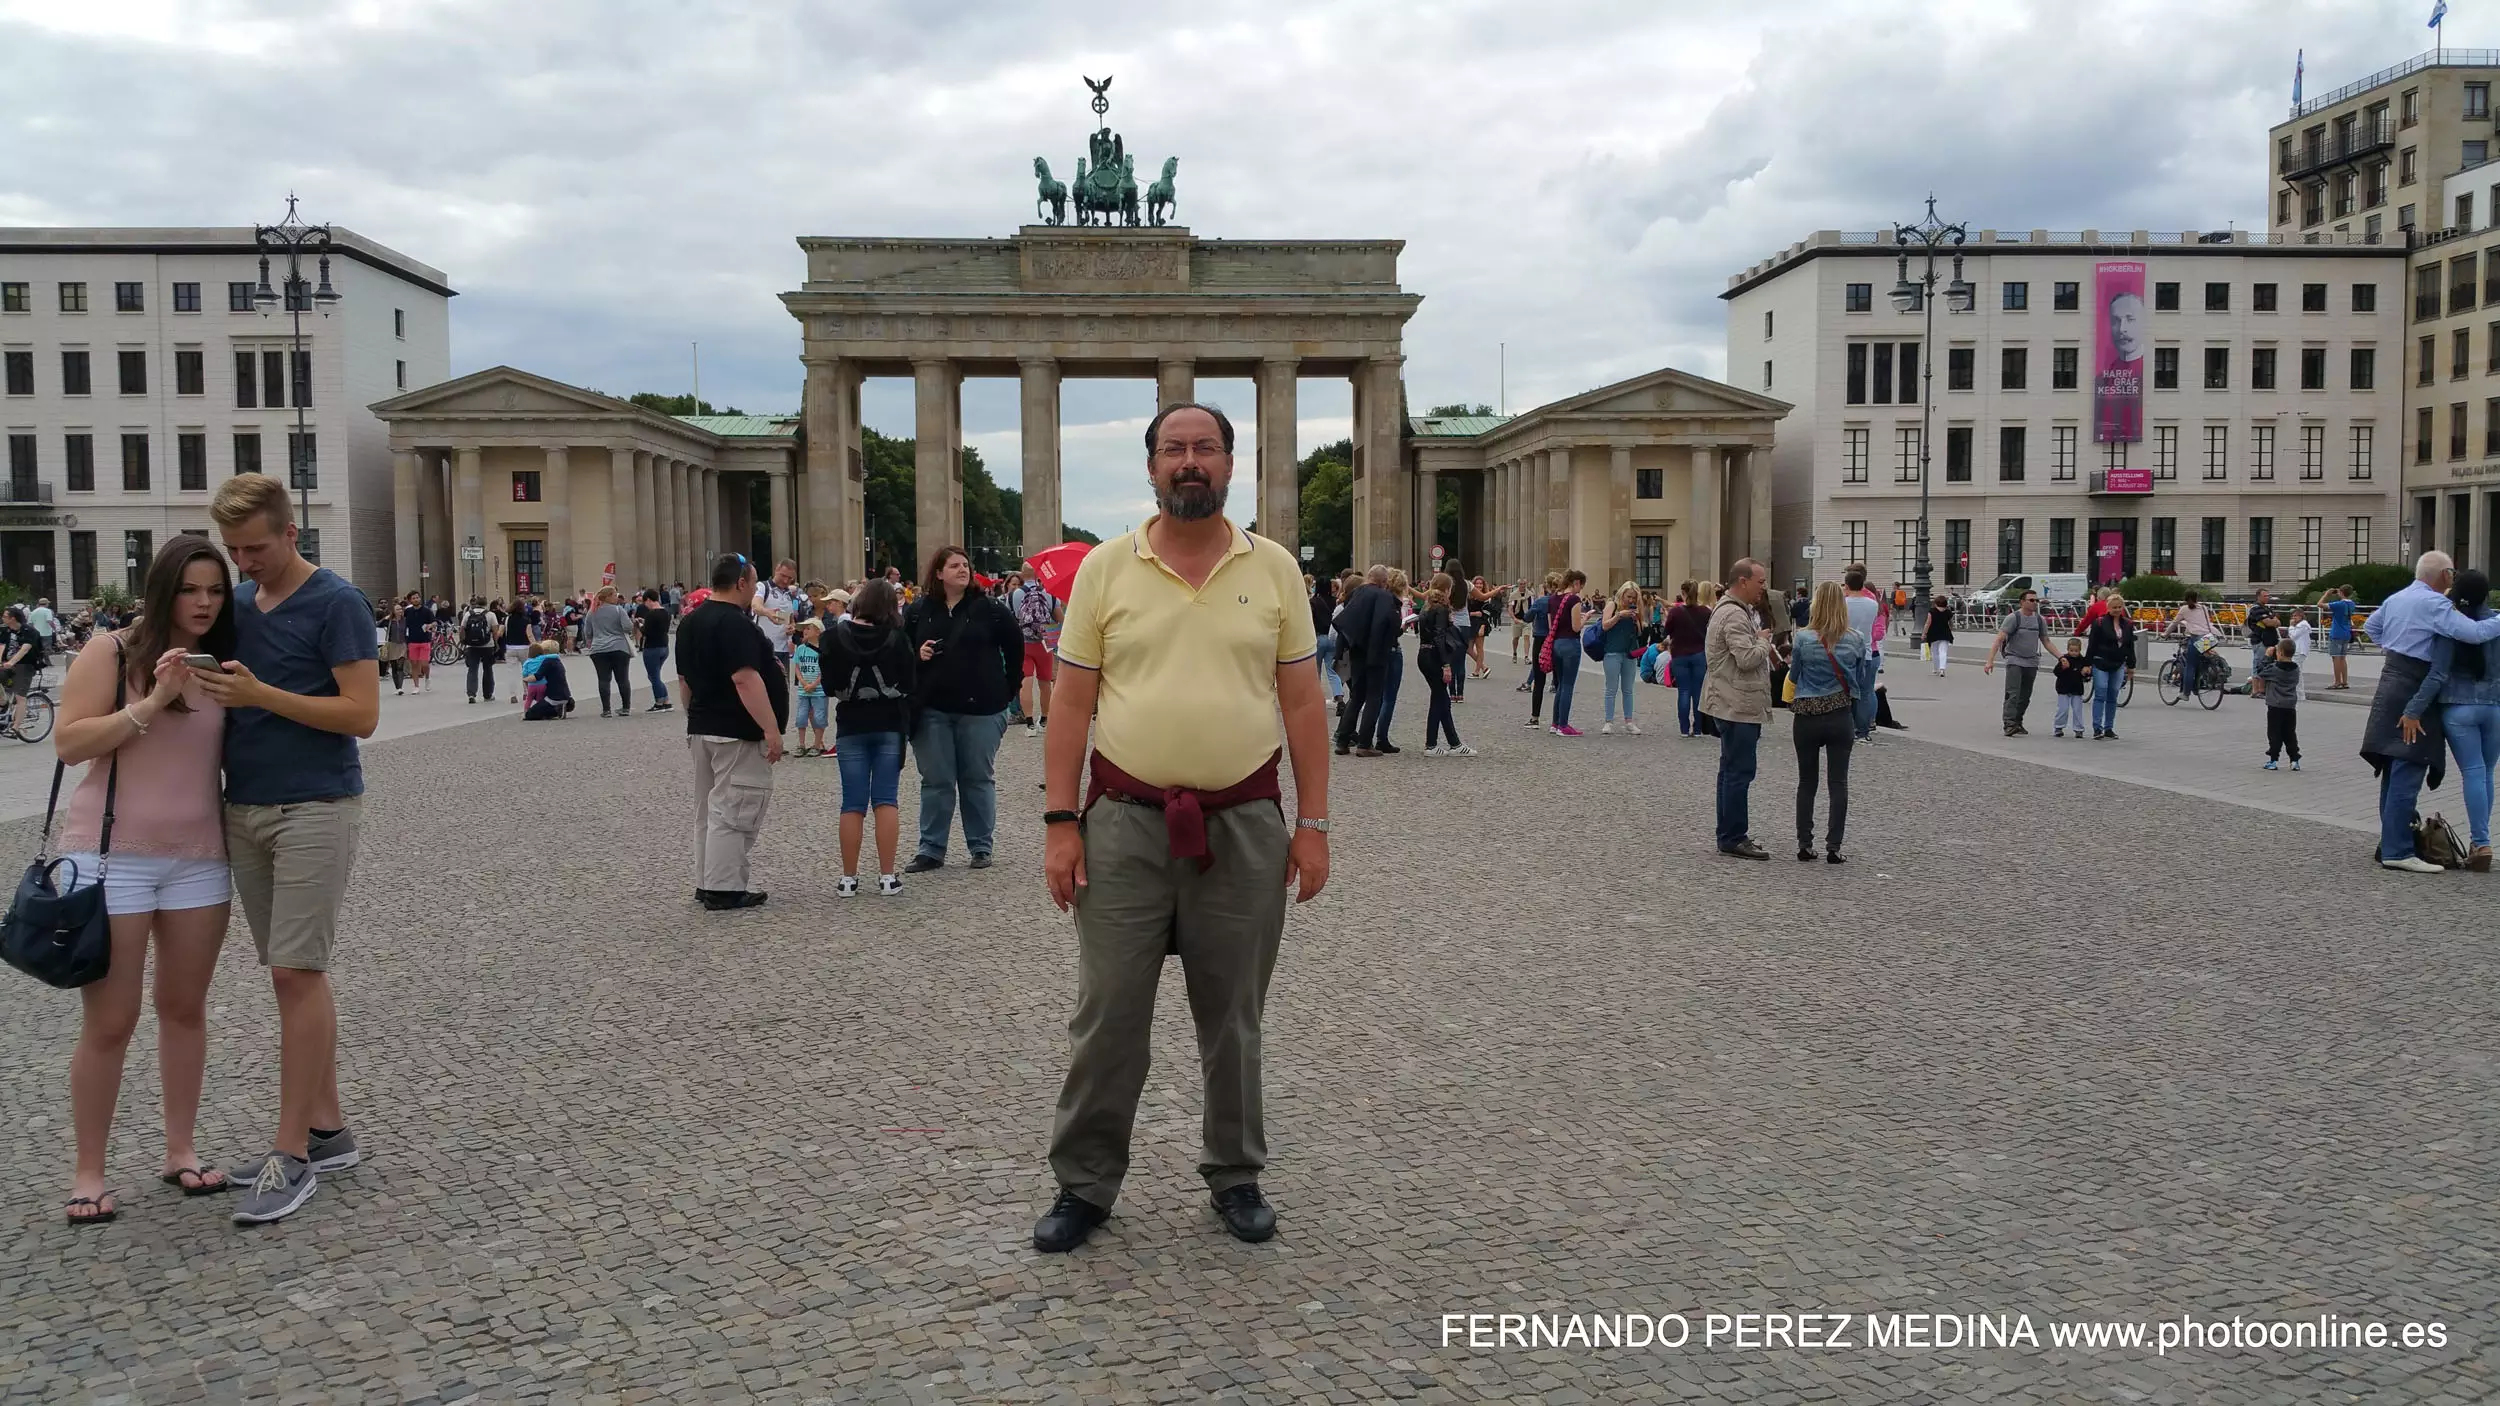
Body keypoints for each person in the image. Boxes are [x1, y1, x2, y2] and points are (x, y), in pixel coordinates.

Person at [1034, 400, 1329, 1254]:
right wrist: (1060, 822)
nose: (1189, 461)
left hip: (1244, 820)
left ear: (1231, 463)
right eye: (1174, 449)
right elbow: (1071, 704)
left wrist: (1313, 822)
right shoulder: (1105, 569)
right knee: (1109, 1013)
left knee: (1234, 1015)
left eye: (1205, 448)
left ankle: (1235, 1172)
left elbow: (1302, 702)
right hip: (1123, 822)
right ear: (1151, 467)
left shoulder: (1273, 568)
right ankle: (1084, 1183)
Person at [196, 474, 381, 1225]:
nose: (244, 563)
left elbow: (361, 713)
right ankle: (328, 1131)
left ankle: (291, 1152)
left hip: (315, 804)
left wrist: (261, 695)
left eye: (255, 548)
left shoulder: (337, 603)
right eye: (233, 550)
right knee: (288, 976)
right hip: (244, 807)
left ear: (290, 533)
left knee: (298, 972)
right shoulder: (237, 605)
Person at [51, 536, 238, 1224]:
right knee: (111, 1019)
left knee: (185, 1009)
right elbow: (70, 742)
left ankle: (180, 1149)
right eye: (190, 589)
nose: (203, 603)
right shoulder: (113, 652)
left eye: (214, 590)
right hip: (113, 857)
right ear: (164, 590)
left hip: (200, 859)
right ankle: (89, 1172)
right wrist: (155, 700)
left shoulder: (223, 663)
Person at [2365, 551, 2500, 873]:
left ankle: (2392, 843)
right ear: (2445, 574)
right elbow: (2475, 633)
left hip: (2397, 682)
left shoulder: (2399, 597)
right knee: (2411, 764)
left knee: (2395, 764)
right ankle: (2402, 849)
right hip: (2430, 690)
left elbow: (2371, 627)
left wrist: (2396, 647)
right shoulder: (2437, 605)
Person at [675, 554, 787, 910]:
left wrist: (693, 718)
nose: (755, 589)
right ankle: (723, 887)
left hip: (703, 726)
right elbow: (745, 678)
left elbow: (684, 681)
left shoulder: (690, 622)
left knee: (707, 810)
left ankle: (706, 879)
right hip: (736, 730)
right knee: (734, 809)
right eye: (753, 582)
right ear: (740, 583)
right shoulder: (735, 623)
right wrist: (771, 728)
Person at [903, 545, 1022, 872]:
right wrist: (917, 655)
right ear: (938, 573)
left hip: (982, 709)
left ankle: (981, 846)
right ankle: (931, 849)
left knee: (977, 778)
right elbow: (899, 651)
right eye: (954, 565)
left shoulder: (991, 609)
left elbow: (1015, 648)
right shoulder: (918, 611)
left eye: (965, 565)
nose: (962, 569)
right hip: (932, 709)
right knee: (936, 780)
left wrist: (1009, 690)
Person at [2400, 567, 2500, 870]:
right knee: (2486, 773)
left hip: (2458, 707)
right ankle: (2481, 842)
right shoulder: (2496, 623)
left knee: (2472, 772)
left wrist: (2412, 709)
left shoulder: (2449, 625)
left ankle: (2482, 842)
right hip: (2494, 707)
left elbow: (2438, 674)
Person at [825, 578, 915, 895]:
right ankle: (887, 877)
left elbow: (829, 686)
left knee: (852, 802)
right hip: (889, 723)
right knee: (886, 799)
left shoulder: (833, 637)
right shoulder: (897, 637)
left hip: (851, 724)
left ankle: (849, 879)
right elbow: (909, 683)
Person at [1786, 581, 1866, 864]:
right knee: (1838, 782)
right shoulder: (1856, 639)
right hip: (1839, 714)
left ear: (1815, 605)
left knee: (1807, 782)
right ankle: (1834, 846)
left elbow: (1794, 676)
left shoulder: (1803, 639)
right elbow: (1859, 680)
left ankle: (1804, 844)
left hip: (1807, 715)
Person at [1702, 559, 1776, 859]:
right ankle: (1734, 836)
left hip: (1729, 701)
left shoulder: (1729, 609)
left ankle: (1728, 834)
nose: (1763, 588)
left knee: (1730, 770)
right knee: (1739, 772)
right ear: (1743, 581)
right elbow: (1746, 659)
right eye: (1760, 582)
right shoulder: (1733, 614)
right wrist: (1763, 642)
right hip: (1737, 704)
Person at [1333, 564, 1400, 756]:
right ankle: (1364, 744)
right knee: (1374, 697)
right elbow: (1390, 623)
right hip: (1376, 652)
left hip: (1357, 651)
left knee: (1356, 697)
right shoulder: (1384, 596)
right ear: (1384, 582)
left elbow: (1344, 621)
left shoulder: (1357, 593)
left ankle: (1342, 741)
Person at [1982, 589, 2056, 736]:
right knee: (2013, 693)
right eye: (2031, 600)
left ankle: (2018, 721)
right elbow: (1999, 639)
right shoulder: (2013, 618)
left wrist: (2061, 657)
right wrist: (1989, 661)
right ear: (2022, 602)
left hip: (2032, 661)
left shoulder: (2039, 620)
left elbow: (2046, 641)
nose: (2035, 603)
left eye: (2036, 600)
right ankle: (2009, 724)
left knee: (2025, 696)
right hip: (2014, 659)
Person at [1416, 573, 1474, 757]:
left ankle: (1453, 743)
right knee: (1439, 700)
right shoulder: (1440, 609)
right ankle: (1432, 744)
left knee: (1441, 699)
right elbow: (1439, 637)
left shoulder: (1427, 607)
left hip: (1424, 654)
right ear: (1447, 589)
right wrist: (1446, 664)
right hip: (1435, 656)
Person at [1012, 568, 1061, 737]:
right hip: (1045, 641)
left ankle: (1030, 724)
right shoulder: (1049, 595)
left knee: (1026, 680)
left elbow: (1010, 618)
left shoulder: (1015, 594)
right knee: (1045, 682)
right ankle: (1044, 721)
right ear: (1038, 575)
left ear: (1022, 575)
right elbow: (1060, 619)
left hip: (1023, 642)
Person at [1544, 570, 1589, 737]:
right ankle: (1563, 725)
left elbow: (1551, 626)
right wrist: (1585, 618)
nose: (1580, 590)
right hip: (1570, 644)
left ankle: (1555, 723)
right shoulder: (1574, 599)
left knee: (1560, 685)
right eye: (1581, 586)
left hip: (1556, 644)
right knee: (1568, 685)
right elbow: (1576, 627)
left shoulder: (1552, 599)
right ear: (1576, 583)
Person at [2084, 594, 2136, 740]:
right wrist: (2087, 664)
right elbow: (2092, 644)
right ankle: (2097, 728)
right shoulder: (2099, 623)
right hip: (2101, 662)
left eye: (2119, 607)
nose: (2117, 610)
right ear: (2108, 608)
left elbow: (2130, 646)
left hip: (2118, 663)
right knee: (2100, 693)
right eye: (2114, 607)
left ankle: (2109, 728)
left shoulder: (2128, 624)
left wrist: (2131, 665)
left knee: (2113, 695)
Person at [1663, 582, 1710, 738]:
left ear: (1683, 593)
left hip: (1679, 654)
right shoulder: (1705, 612)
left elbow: (1666, 631)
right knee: (1697, 692)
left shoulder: (1675, 612)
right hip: (1699, 654)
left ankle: (1684, 728)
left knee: (1683, 691)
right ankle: (1697, 729)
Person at [2249, 639, 2303, 771]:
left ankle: (2273, 759)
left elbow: (2260, 671)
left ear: (2280, 653)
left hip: (2275, 706)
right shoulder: (2296, 669)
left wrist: (2267, 656)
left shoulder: (2274, 669)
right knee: (2290, 733)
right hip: (2290, 705)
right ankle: (2294, 760)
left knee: (2274, 733)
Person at [1598, 580, 1643, 735]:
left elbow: (1640, 632)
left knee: (1628, 689)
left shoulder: (1635, 609)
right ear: (1622, 594)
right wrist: (1619, 615)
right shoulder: (1613, 605)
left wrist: (1637, 619)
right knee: (1611, 688)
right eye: (1628, 596)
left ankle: (1629, 721)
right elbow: (1605, 625)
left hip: (1629, 652)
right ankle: (1608, 721)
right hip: (1612, 651)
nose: (1631, 600)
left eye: (1633, 598)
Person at [584, 585, 635, 717]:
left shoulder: (592, 612)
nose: (616, 597)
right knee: (622, 678)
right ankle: (626, 707)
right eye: (614, 595)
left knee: (603, 679)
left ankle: (606, 710)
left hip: (599, 649)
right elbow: (628, 627)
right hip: (619, 647)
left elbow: (587, 632)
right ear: (607, 597)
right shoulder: (618, 610)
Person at [2, 603, 47, 736]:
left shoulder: (29, 631)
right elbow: (1, 646)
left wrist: (12, 662)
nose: (2, 618)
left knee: (20, 696)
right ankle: (3, 703)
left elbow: (25, 649)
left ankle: (15, 728)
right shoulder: (5, 631)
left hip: (25, 665)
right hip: (7, 664)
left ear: (13, 618)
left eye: (4, 616)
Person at [755, 557, 803, 677]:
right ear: (776, 570)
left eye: (790, 578)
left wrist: (792, 627)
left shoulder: (789, 594)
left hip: (784, 650)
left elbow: (791, 620)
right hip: (764, 648)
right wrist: (767, 612)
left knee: (783, 685)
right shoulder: (763, 587)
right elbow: (755, 605)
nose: (786, 581)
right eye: (783, 576)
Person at [789, 616, 829, 758]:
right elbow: (797, 667)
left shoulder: (823, 650)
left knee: (819, 717)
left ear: (818, 632)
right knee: (801, 716)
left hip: (819, 690)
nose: (805, 631)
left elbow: (825, 669)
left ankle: (817, 744)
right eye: (804, 628)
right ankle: (801, 744)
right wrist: (803, 682)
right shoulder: (800, 649)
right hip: (803, 689)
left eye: (808, 628)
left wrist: (814, 684)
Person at [633, 588, 673, 712]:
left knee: (653, 676)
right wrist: (645, 622)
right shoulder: (666, 612)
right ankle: (666, 701)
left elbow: (646, 631)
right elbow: (657, 627)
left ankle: (659, 702)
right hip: (664, 646)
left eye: (645, 602)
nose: (646, 606)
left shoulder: (651, 614)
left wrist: (640, 624)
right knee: (655, 676)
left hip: (652, 648)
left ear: (649, 600)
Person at [2172, 589, 2219, 696]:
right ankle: (2196, 687)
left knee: (2190, 666)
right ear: (2196, 598)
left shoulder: (2184, 609)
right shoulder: (2203, 608)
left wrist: (2165, 634)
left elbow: (2174, 623)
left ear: (2185, 599)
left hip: (2197, 638)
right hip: (2210, 638)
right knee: (2199, 662)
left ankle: (2185, 694)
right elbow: (2205, 623)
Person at [457, 595, 501, 703]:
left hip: (472, 646)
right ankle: (488, 694)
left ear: (476, 602)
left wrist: (463, 641)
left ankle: (471, 694)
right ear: (486, 603)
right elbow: (495, 631)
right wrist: (496, 644)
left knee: (472, 669)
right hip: (487, 645)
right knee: (488, 669)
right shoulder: (490, 615)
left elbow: (462, 629)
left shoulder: (468, 614)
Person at [1309, 577, 1344, 709]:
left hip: (1318, 638)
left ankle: (1316, 698)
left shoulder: (1313, 602)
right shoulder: (1335, 602)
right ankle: (1339, 697)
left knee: (1316, 670)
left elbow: (1310, 620)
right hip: (1332, 637)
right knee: (1332, 670)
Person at [520, 639, 575, 720]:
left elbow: (537, 676)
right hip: (565, 695)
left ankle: (556, 710)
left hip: (554, 697)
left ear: (545, 651)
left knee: (530, 714)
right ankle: (561, 707)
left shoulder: (547, 662)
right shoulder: (557, 660)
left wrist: (525, 679)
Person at [2051, 637, 2089, 739]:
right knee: (2063, 709)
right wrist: (2062, 668)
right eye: (2071, 650)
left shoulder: (2082, 660)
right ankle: (2058, 727)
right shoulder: (2064, 659)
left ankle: (2079, 729)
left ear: (2080, 650)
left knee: (2077, 710)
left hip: (2077, 689)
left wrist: (2086, 674)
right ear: (2068, 649)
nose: (2073, 653)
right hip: (2063, 688)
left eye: (2076, 651)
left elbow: (2087, 676)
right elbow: (2056, 672)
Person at [401, 592, 435, 694]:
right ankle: (416, 686)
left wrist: (430, 625)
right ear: (410, 600)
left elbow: (434, 622)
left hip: (425, 640)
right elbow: (402, 621)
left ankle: (427, 678)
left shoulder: (427, 611)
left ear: (420, 598)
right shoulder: (408, 611)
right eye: (413, 598)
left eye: (417, 597)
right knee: (414, 664)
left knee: (424, 663)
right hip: (412, 640)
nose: (416, 599)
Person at [2327, 585, 2358, 690]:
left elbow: (2320, 604)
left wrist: (2326, 594)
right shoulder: (2351, 604)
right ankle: (2344, 681)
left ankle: (2337, 682)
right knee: (2343, 658)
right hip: (2346, 632)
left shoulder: (2339, 604)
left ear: (2341, 592)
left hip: (2337, 633)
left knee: (2336, 657)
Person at [2246, 588, 2280, 682]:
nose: (2267, 598)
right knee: (2259, 664)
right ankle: (2256, 687)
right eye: (2265, 596)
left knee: (2269, 664)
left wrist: (2273, 621)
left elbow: (2278, 622)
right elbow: (2268, 622)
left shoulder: (2267, 608)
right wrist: (2273, 620)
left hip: (2270, 641)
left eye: (2268, 596)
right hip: (2260, 641)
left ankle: (2264, 686)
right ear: (2258, 597)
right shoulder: (2256, 609)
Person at [377, 599, 407, 695]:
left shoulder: (405, 620)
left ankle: (400, 687)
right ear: (393, 611)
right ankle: (397, 687)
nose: (400, 611)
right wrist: (385, 618)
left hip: (402, 645)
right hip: (392, 645)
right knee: (394, 667)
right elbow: (378, 624)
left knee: (400, 666)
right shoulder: (389, 621)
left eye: (401, 609)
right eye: (397, 609)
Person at [1923, 592, 1955, 676]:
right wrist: (1951, 629)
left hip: (1933, 633)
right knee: (1943, 652)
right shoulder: (1948, 612)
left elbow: (1928, 623)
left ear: (1936, 603)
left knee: (1935, 652)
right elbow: (1951, 623)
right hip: (1945, 633)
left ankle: (1935, 668)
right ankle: (1942, 669)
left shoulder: (1932, 611)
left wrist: (1924, 633)